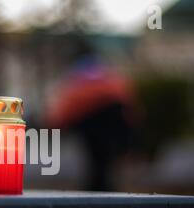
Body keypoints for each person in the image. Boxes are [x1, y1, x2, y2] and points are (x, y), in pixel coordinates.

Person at [45, 56, 140, 191]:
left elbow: (64, 112)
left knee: (97, 162)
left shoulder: (79, 87)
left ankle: (97, 188)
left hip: (91, 127)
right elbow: (128, 109)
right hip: (108, 125)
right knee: (103, 163)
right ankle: (102, 188)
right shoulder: (112, 84)